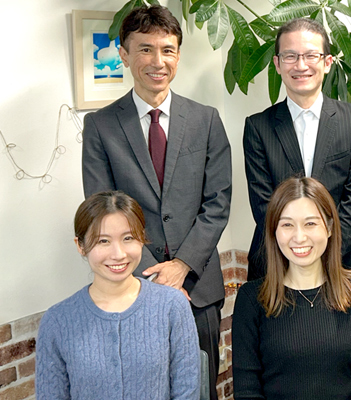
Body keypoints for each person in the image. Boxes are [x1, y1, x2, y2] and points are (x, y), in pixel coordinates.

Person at [81, 6, 231, 399]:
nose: (157, 61)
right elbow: (102, 211)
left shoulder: (207, 120)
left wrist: (181, 267)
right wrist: (155, 276)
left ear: (178, 56)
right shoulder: (100, 127)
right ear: (125, 55)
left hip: (198, 289)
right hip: (130, 286)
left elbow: (218, 202)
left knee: (200, 388)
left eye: (167, 50)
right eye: (145, 50)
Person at [243, 18, 351, 280]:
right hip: (277, 267)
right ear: (278, 64)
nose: (301, 65)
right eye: (290, 56)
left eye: (311, 55)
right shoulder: (258, 127)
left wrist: (324, 255)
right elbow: (264, 206)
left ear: (327, 63)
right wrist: (299, 255)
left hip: (343, 263)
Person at [36, 191, 200, 400]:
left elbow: (187, 390)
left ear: (142, 239)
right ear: (80, 245)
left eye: (128, 238)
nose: (119, 254)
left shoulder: (171, 305)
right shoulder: (57, 320)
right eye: (103, 241)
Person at [232, 177, 351, 400]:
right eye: (287, 225)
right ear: (274, 231)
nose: (299, 237)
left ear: (330, 227)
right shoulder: (251, 299)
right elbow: (247, 392)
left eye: (310, 223)